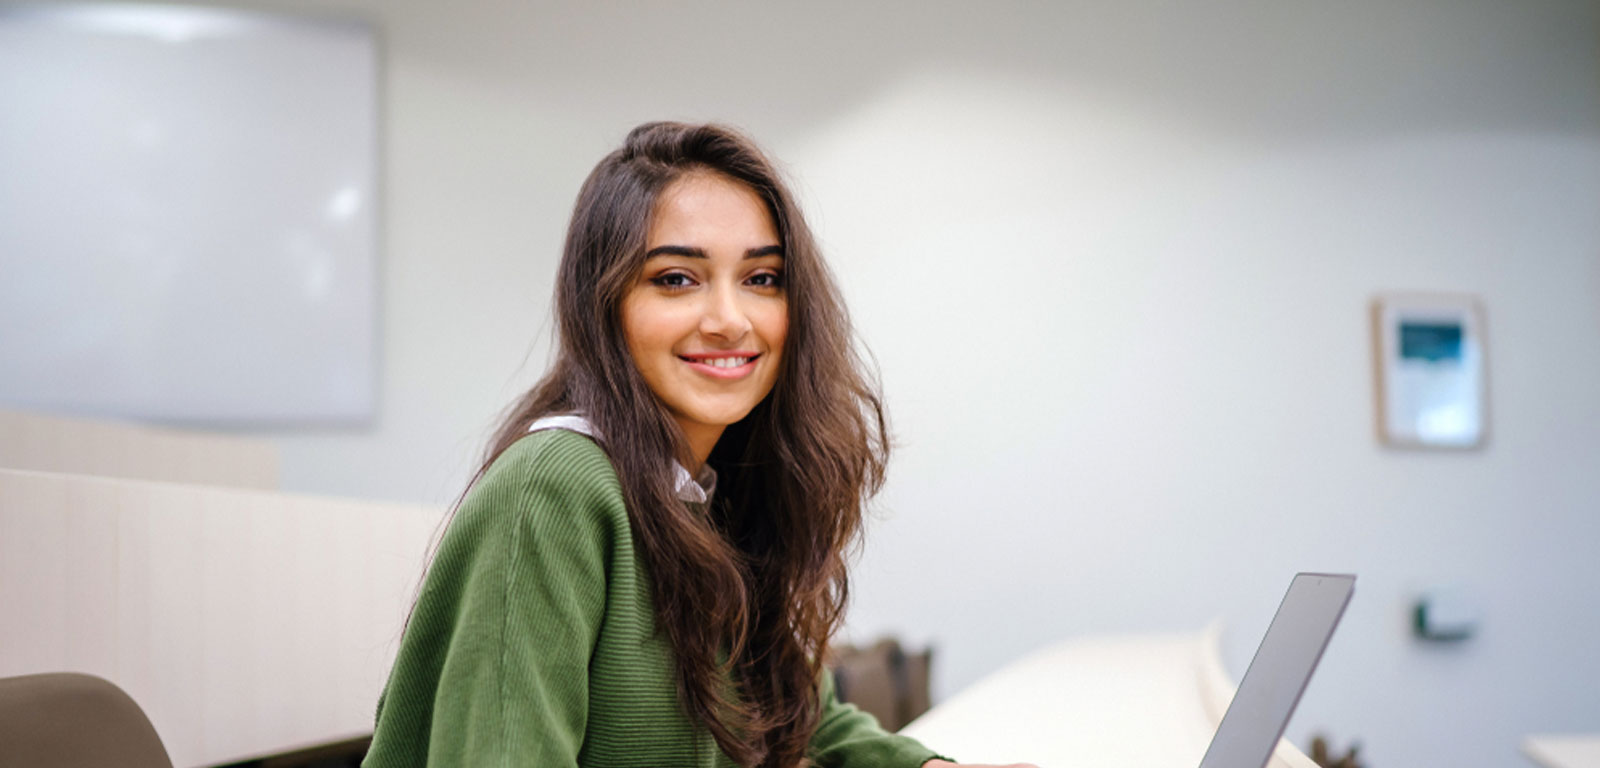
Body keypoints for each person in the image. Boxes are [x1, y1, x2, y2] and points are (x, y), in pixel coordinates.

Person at [363, 122, 1034, 768]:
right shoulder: (556, 485)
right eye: (676, 279)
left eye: (762, 278)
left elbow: (796, 703)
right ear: (604, 305)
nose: (729, 320)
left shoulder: (708, 488)